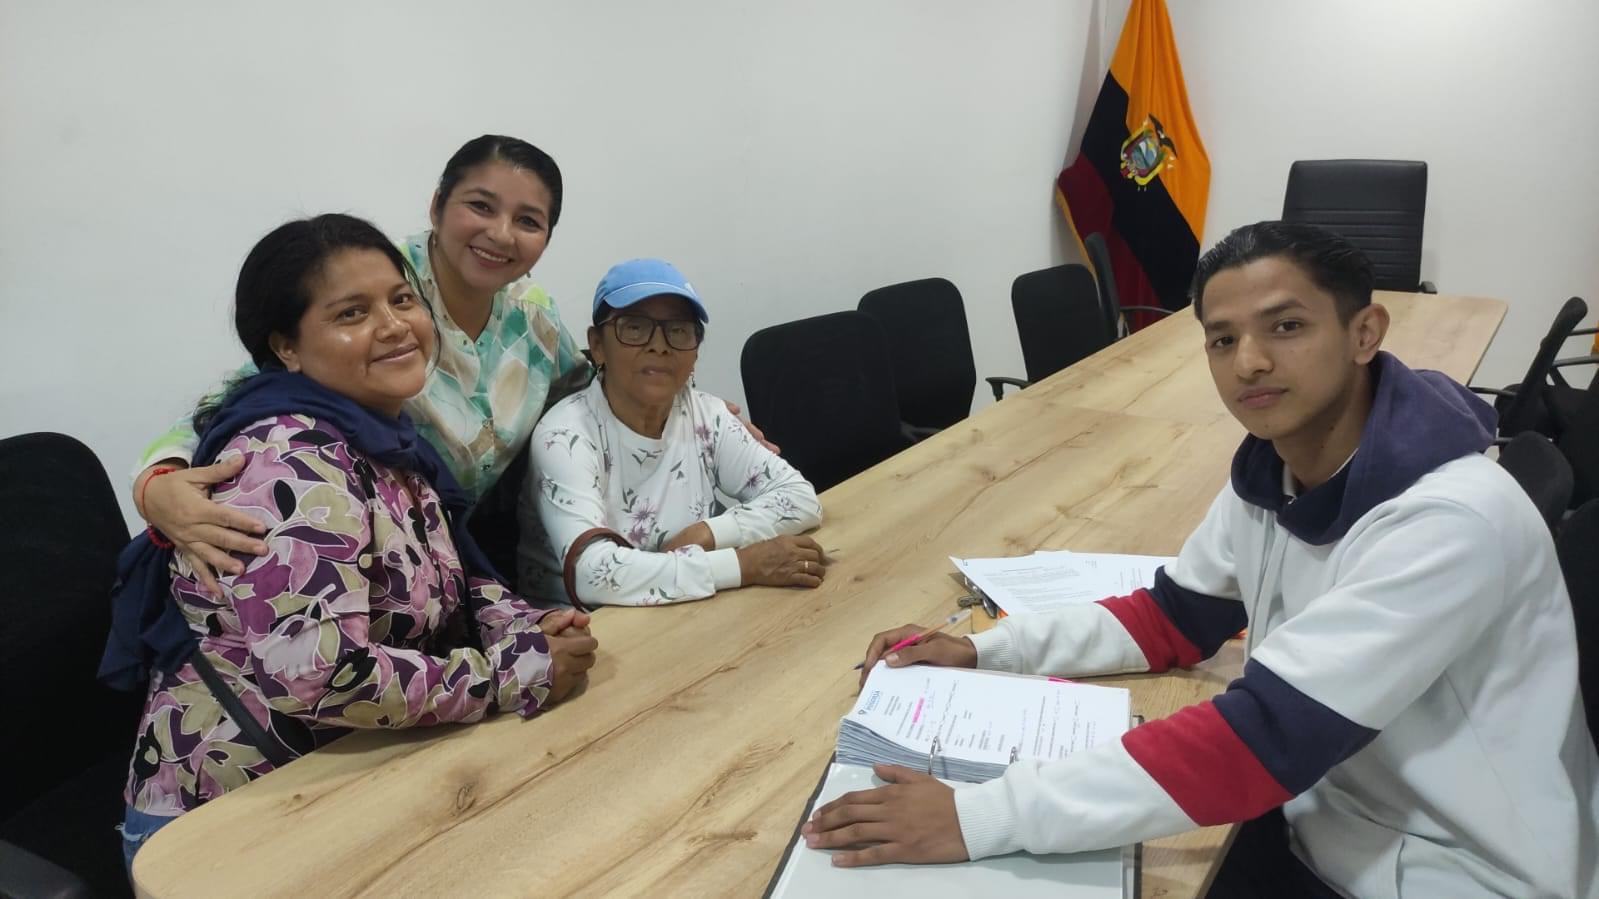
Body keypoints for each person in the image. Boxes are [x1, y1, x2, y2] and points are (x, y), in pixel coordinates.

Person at [808, 221, 1599, 897]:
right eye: (1222, 339)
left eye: (1284, 326)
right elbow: (1173, 617)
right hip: (1326, 814)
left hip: (1450, 867)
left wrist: (974, 815)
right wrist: (983, 648)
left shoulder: (1447, 521)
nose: (1247, 360)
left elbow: (1260, 740)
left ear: (1364, 333)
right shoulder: (1278, 467)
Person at [110, 214, 598, 870]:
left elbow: (449, 575)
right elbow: (320, 676)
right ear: (286, 346)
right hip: (229, 826)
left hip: (352, 774)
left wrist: (526, 625)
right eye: (351, 313)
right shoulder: (288, 460)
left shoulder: (382, 438)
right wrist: (515, 673)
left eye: (401, 299)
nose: (394, 325)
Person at [129, 135, 769, 598]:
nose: (501, 234)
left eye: (528, 220)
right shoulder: (381, 288)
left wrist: (702, 416)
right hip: (350, 566)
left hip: (460, 566)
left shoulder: (532, 316)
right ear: (437, 205)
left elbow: (598, 385)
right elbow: (242, 398)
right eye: (481, 207)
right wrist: (158, 486)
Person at [518, 259, 825, 607]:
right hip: (586, 624)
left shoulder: (707, 415)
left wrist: (707, 533)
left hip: (689, 605)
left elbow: (799, 497)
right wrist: (741, 565)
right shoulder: (564, 436)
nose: (659, 345)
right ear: (597, 344)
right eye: (635, 328)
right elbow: (593, 574)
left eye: (678, 331)